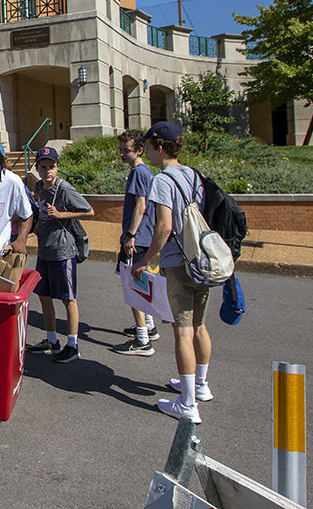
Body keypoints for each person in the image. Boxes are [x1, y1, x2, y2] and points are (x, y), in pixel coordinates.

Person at [130, 121, 212, 424]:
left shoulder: (162, 180)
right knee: (200, 326)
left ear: (160, 146)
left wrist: (146, 260)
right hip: (200, 260)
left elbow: (164, 227)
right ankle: (200, 385)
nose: (146, 151)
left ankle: (187, 402)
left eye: (148, 146)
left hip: (178, 263)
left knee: (183, 330)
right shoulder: (194, 175)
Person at [25, 146, 95, 363]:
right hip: (45, 251)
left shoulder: (64, 188)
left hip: (63, 252)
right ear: (37, 168)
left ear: (57, 167)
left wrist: (62, 214)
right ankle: (52, 340)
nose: (48, 171)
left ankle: (72, 345)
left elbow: (90, 211)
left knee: (68, 298)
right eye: (43, 167)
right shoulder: (38, 186)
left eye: (52, 167)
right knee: (43, 296)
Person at [112, 130, 158, 356]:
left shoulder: (139, 172)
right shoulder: (141, 171)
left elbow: (141, 206)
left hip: (137, 239)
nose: (122, 154)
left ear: (140, 150)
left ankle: (143, 341)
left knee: (134, 288)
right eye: (120, 150)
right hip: (142, 237)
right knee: (141, 284)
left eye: (126, 150)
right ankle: (149, 327)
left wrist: (130, 235)